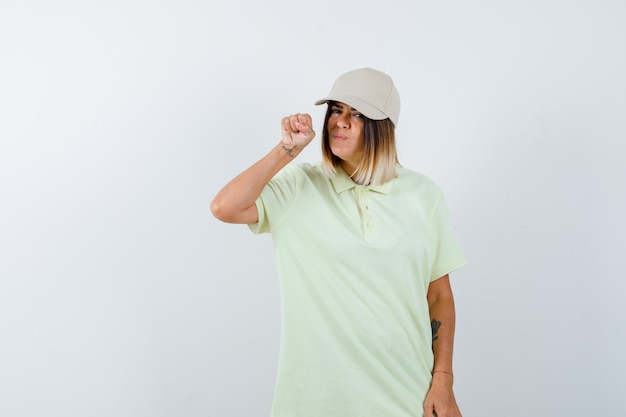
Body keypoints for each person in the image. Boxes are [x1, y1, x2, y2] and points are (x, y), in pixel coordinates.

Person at [211, 68, 467, 417]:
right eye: (335, 109)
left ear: (384, 127)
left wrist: (444, 381)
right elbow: (225, 207)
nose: (340, 122)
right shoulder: (299, 186)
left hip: (407, 399)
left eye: (357, 114)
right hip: (313, 403)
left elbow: (438, 296)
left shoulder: (424, 195)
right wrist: (287, 149)